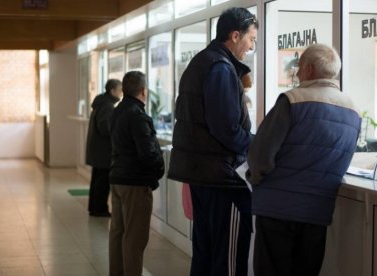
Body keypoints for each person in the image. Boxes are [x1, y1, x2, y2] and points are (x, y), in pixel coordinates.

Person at [247, 44, 361, 276]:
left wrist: (256, 179)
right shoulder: (353, 111)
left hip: (277, 208)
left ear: (309, 69)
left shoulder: (292, 100)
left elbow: (260, 154)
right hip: (317, 212)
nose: (297, 73)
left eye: (299, 67)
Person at [168, 7, 258, 276]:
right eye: (251, 39)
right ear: (234, 35)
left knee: (205, 258)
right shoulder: (220, 67)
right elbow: (226, 128)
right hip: (223, 180)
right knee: (227, 262)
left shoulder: (202, 63)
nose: (251, 47)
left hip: (205, 176)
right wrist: (257, 145)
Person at [108, 71, 164, 276]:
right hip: (135, 183)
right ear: (143, 91)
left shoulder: (116, 111)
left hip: (117, 179)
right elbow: (148, 152)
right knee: (135, 237)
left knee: (118, 233)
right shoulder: (138, 115)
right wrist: (158, 170)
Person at [86, 79, 122, 217]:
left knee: (97, 180)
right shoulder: (107, 106)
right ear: (112, 91)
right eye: (120, 90)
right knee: (102, 182)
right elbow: (105, 128)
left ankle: (94, 208)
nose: (121, 93)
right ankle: (100, 209)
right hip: (103, 152)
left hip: (98, 150)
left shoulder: (101, 103)